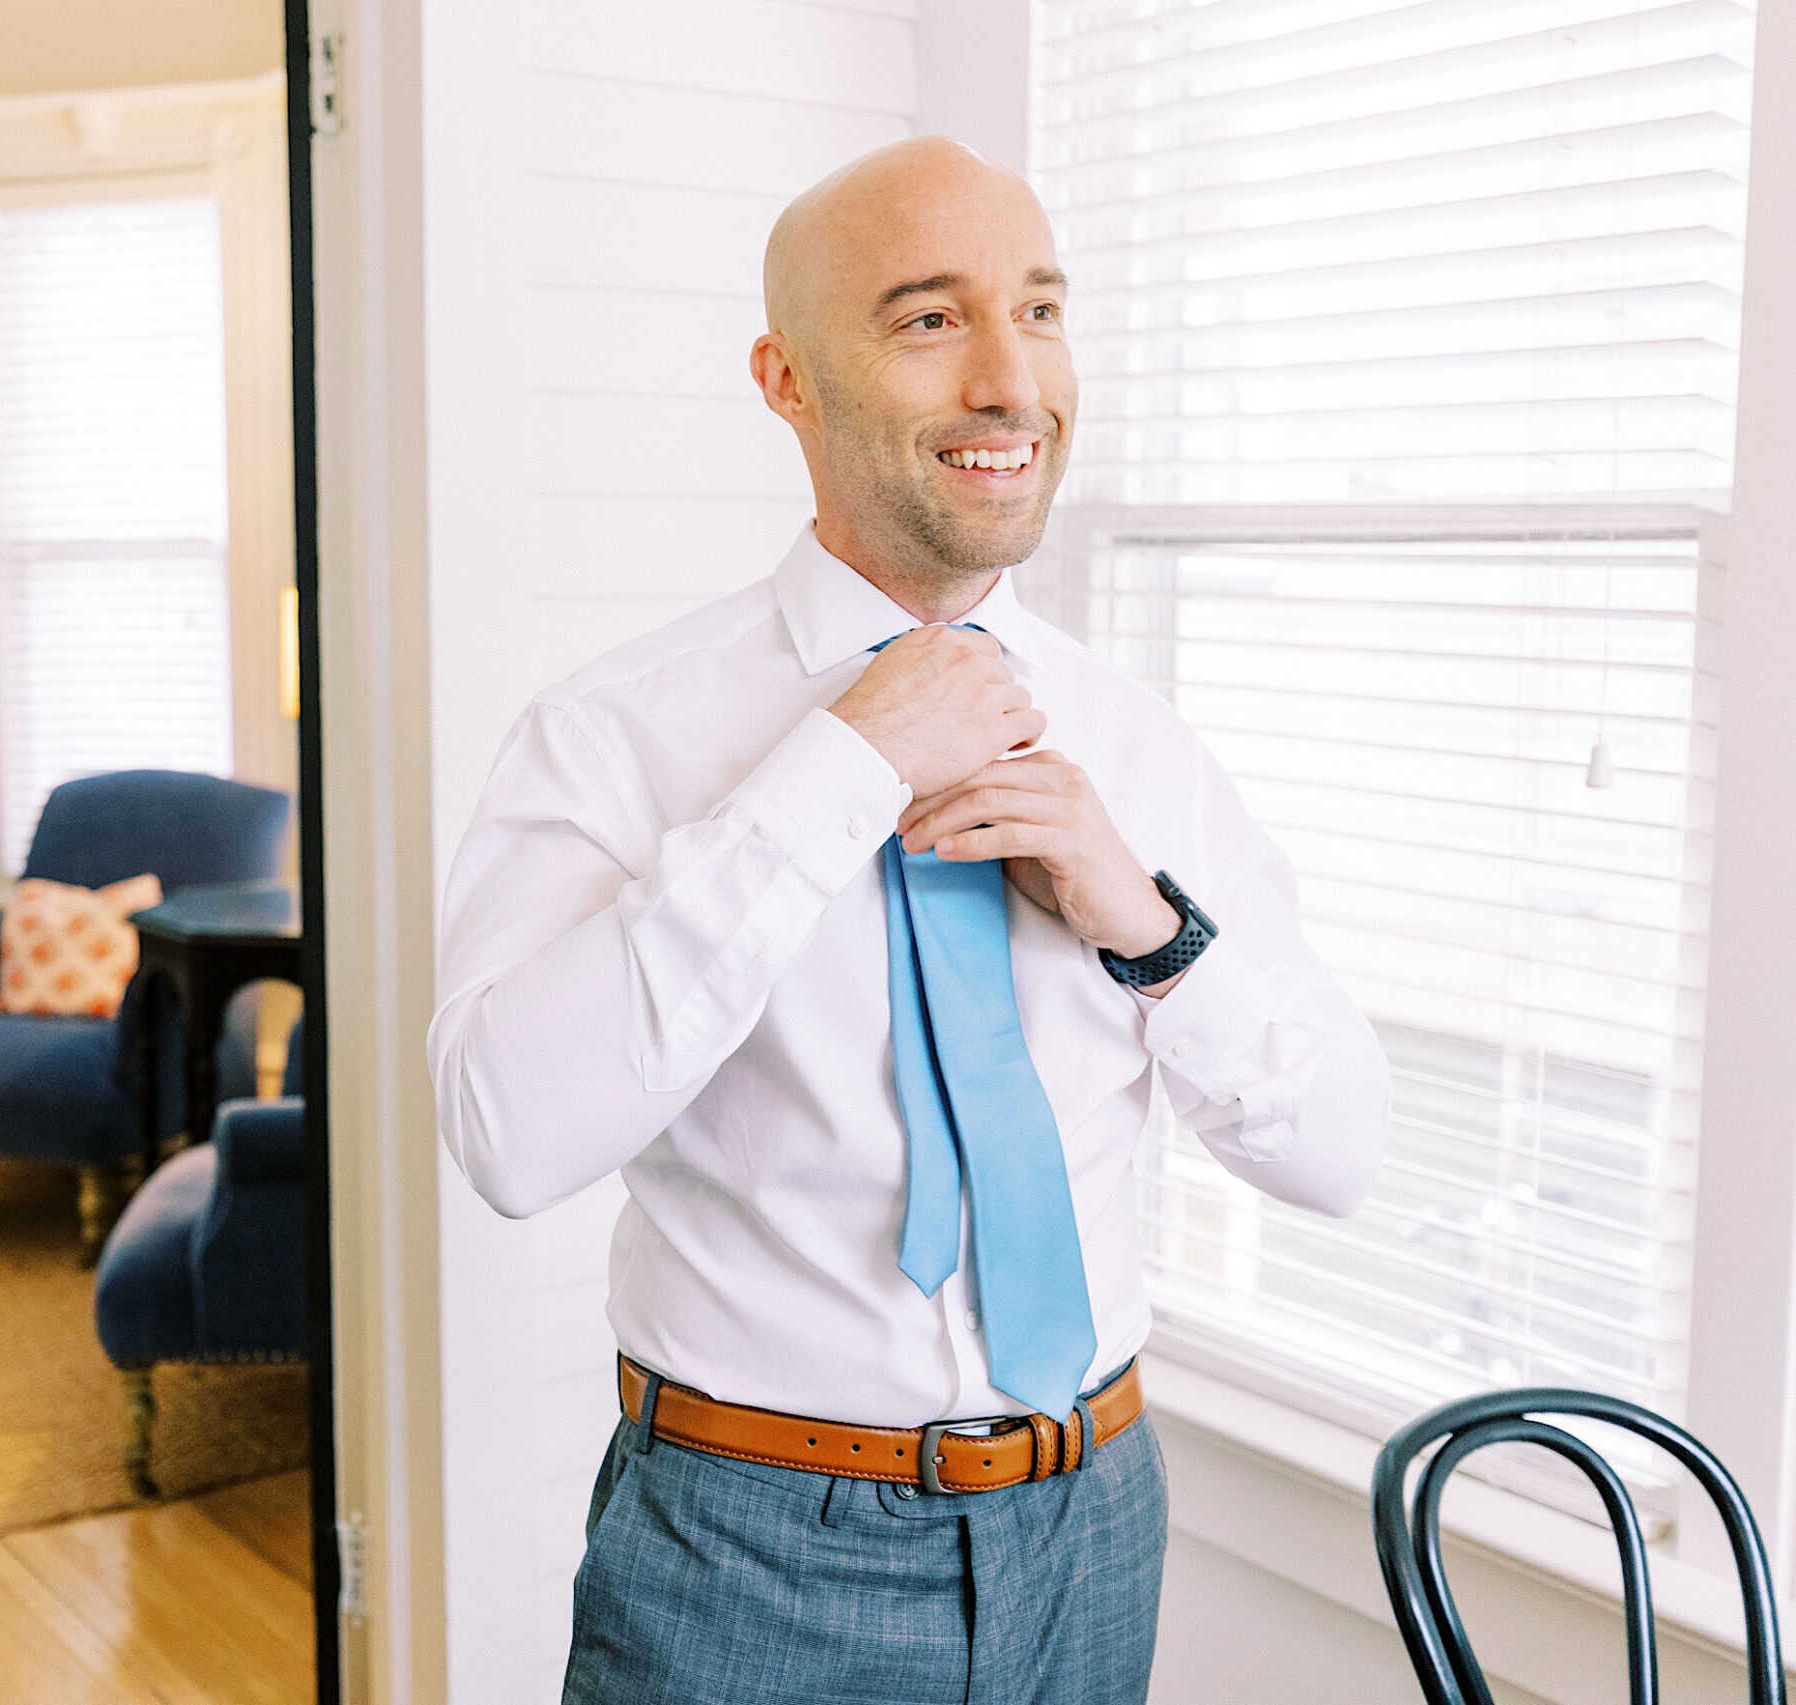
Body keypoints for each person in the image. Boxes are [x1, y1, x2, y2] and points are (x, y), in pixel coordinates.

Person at [425, 135, 1393, 1704]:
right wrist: (840, 768)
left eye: (1041, 310)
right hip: (753, 1556)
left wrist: (1147, 924)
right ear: (787, 380)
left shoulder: (1136, 747)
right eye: (931, 320)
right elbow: (505, 1132)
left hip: (1094, 1521)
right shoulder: (614, 737)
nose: (1011, 381)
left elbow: (1341, 1149)